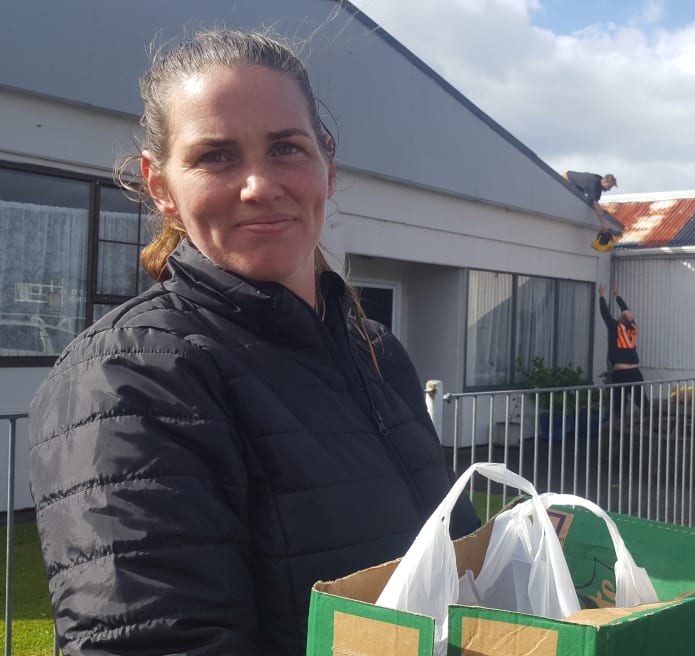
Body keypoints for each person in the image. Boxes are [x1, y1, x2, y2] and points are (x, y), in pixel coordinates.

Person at [27, 29, 480, 656]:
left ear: (327, 164)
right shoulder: (130, 375)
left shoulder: (375, 350)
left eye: (286, 148)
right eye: (215, 156)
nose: (259, 185)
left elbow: (459, 563)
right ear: (160, 185)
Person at [598, 282, 646, 414]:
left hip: (621, 372)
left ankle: (618, 425)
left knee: (619, 401)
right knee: (641, 400)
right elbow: (626, 310)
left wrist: (602, 296)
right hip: (635, 371)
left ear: (621, 318)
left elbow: (605, 314)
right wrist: (617, 296)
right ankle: (651, 420)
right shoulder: (634, 327)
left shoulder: (616, 327)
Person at [563, 171, 618, 252]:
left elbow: (594, 202)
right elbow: (595, 204)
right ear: (604, 181)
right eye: (609, 186)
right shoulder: (595, 185)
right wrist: (603, 224)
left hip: (573, 181)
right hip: (566, 179)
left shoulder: (598, 180)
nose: (609, 189)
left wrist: (601, 210)